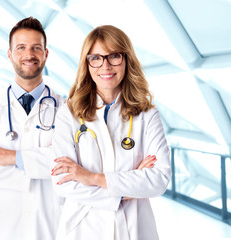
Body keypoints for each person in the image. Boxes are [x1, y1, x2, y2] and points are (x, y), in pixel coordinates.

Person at [50, 25, 171, 240]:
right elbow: (63, 182)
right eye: (95, 58)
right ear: (87, 64)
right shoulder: (68, 114)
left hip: (134, 228)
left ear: (126, 60)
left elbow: (159, 179)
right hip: (82, 229)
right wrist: (127, 191)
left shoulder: (147, 115)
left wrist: (91, 177)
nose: (105, 65)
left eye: (114, 56)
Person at [0, 17, 65, 240]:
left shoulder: (66, 109)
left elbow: (68, 161)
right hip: (1, 226)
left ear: (46, 54)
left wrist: (12, 157)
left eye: (36, 48)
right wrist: (41, 170)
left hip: (51, 225)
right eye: (21, 48)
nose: (29, 55)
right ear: (10, 54)